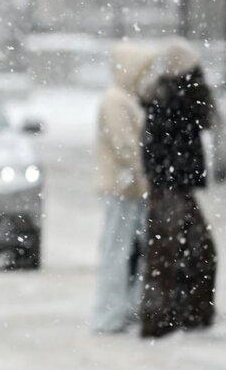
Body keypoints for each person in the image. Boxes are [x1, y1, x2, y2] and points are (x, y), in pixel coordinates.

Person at [139, 39, 218, 339]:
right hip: (171, 187)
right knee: (170, 255)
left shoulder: (175, 97)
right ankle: (165, 319)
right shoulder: (176, 98)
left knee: (186, 253)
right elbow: (162, 147)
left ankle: (180, 316)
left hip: (174, 186)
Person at [91, 42, 155, 333]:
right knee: (118, 252)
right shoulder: (117, 101)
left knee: (129, 251)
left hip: (130, 187)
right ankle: (110, 315)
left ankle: (125, 310)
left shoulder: (126, 99)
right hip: (123, 188)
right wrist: (143, 171)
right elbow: (125, 146)